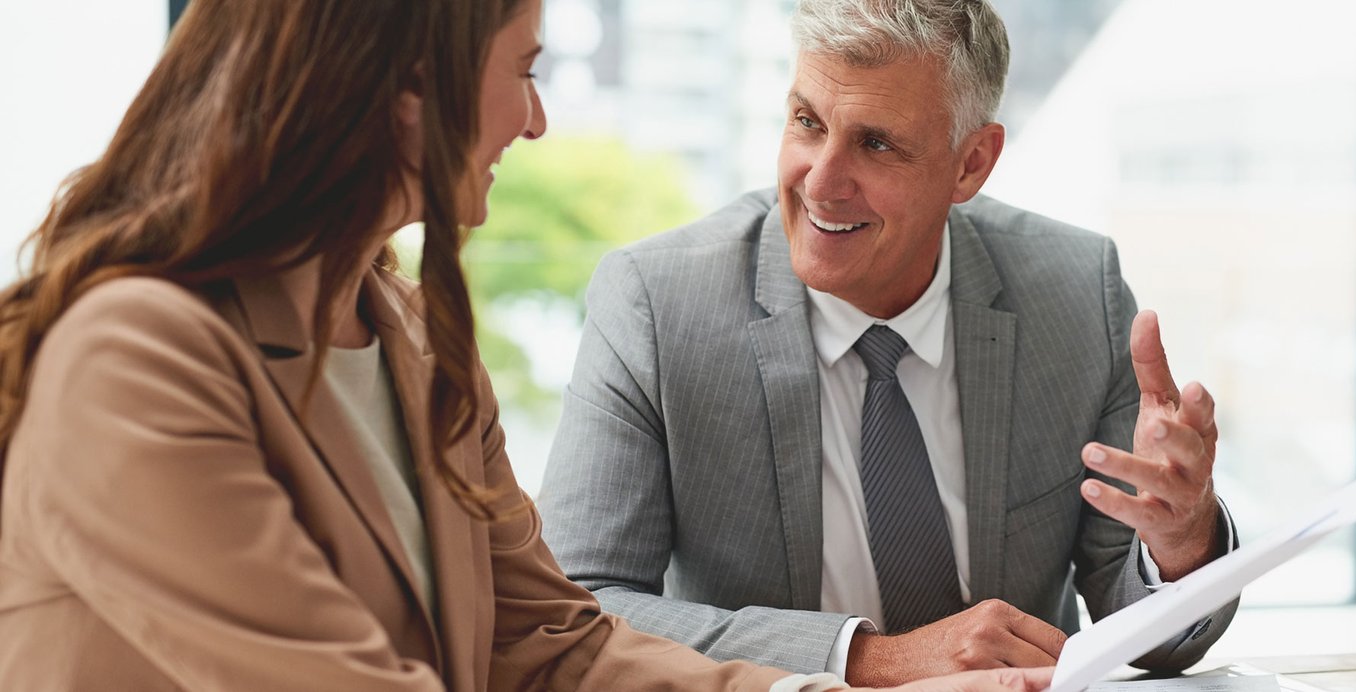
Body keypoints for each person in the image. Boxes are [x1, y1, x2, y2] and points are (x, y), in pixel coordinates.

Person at [0, 1, 1051, 690]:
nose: (537, 119)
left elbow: (552, 642)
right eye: (525, 69)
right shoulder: (133, 354)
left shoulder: (407, 336)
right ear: (410, 89)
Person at [538, 0, 1239, 687]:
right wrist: (869, 660)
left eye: (875, 144)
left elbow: (1145, 629)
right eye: (807, 122)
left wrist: (1181, 542)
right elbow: (576, 611)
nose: (820, 182)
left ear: (971, 164)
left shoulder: (1075, 292)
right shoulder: (656, 305)